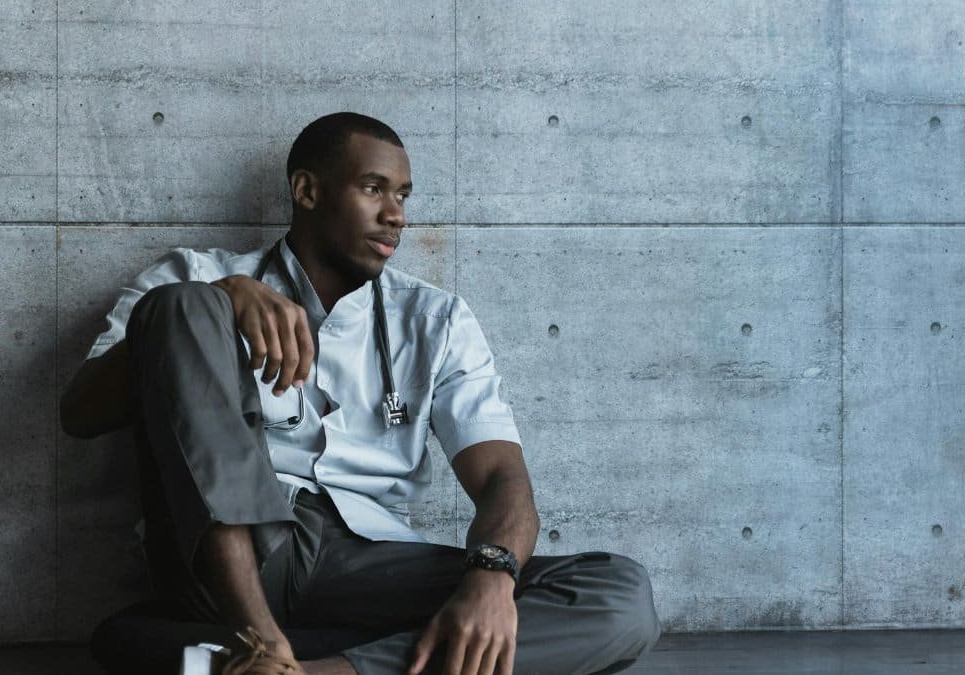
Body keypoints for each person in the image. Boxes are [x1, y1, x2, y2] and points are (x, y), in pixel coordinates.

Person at [60, 112, 661, 675]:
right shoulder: (194, 276)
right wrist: (220, 300)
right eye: (374, 189)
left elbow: (504, 476)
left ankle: (299, 667)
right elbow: (80, 412)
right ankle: (260, 640)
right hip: (229, 563)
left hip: (369, 563)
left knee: (617, 597)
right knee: (180, 308)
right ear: (307, 191)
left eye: (403, 196)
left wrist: (491, 577)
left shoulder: (436, 319)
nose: (396, 215)